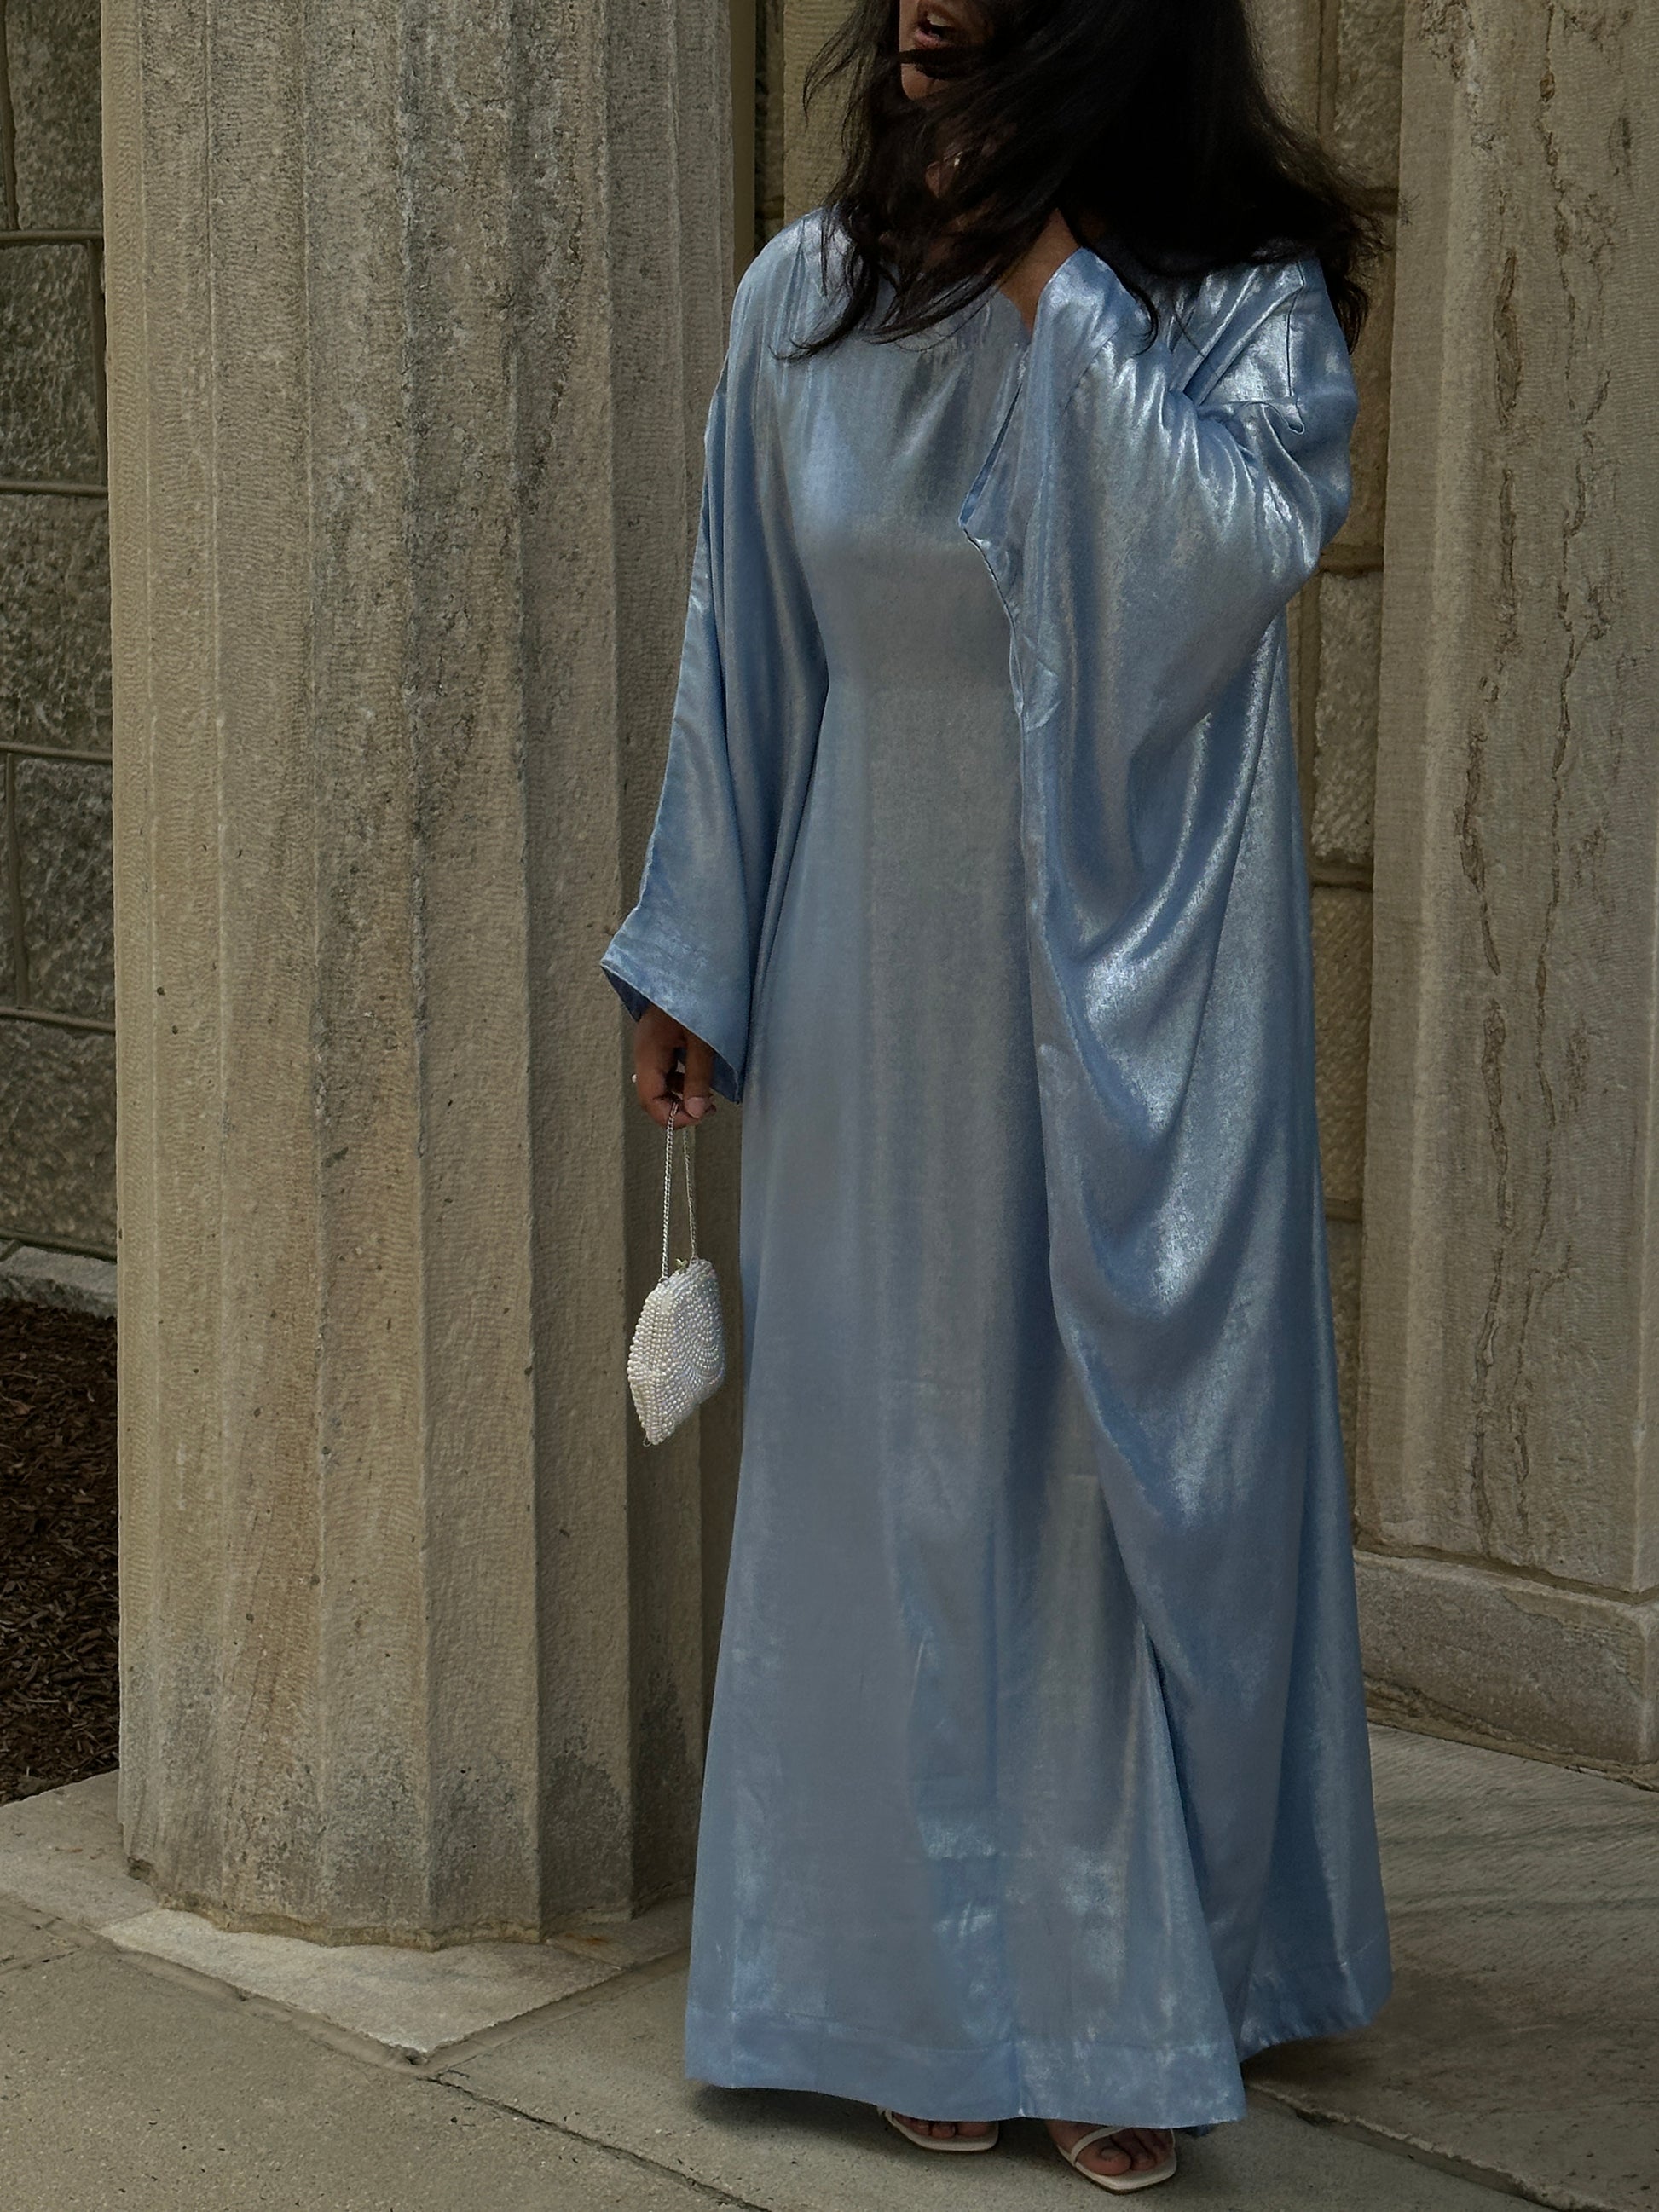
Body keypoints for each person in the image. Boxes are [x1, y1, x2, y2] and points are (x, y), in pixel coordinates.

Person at [599, 0, 1392, 2192]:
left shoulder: (1230, 304)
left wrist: (1050, 278)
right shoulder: (804, 298)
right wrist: (694, 955)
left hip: (1131, 985)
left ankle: (1100, 1984)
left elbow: (1225, 571)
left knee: (1081, 1463)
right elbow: (745, 637)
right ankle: (900, 1973)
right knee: (885, 1449)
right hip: (868, 958)